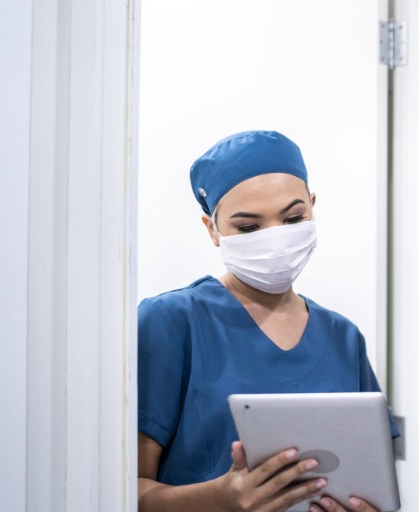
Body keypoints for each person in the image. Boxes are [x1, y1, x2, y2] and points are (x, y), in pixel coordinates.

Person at [137, 130, 388, 512]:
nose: (276, 239)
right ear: (212, 229)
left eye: (293, 218)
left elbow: (373, 477)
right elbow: (122, 489)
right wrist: (218, 500)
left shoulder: (343, 337)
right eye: (249, 227)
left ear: (312, 207)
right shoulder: (170, 322)